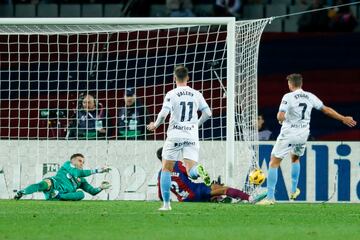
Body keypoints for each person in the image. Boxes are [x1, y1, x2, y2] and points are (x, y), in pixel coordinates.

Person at [257, 73, 357, 205]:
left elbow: (280, 116)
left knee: (273, 163)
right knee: (295, 158)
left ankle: (269, 198)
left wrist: (281, 119)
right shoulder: (310, 96)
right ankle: (293, 191)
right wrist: (343, 118)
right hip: (303, 135)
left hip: (288, 134)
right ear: (301, 84)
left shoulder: (288, 96)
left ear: (290, 84)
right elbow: (326, 110)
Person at [147, 65, 212, 211]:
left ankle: (166, 205)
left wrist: (155, 125)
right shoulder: (196, 93)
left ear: (174, 78)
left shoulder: (172, 93)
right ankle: (198, 170)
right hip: (191, 135)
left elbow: (163, 114)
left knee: (166, 169)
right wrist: (196, 124)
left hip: (175, 135)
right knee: (191, 172)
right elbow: (208, 113)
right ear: (188, 77)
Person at [156, 148, 267, 203]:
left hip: (184, 199)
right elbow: (189, 174)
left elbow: (161, 195)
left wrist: (167, 201)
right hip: (195, 191)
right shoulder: (177, 165)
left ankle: (217, 199)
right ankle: (250, 198)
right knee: (224, 189)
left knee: (215, 187)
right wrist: (195, 174)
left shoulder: (161, 174)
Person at [14, 153, 111, 201]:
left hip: (62, 194)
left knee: (81, 194)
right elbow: (76, 172)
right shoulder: (67, 165)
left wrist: (101, 188)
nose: (82, 163)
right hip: (54, 184)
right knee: (45, 183)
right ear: (72, 161)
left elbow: (92, 191)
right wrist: (97, 170)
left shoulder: (82, 180)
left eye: (83, 162)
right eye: (80, 161)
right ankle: (23, 192)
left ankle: (58, 196)